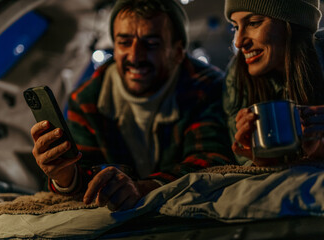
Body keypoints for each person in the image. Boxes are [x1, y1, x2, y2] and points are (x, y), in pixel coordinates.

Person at [31, 0, 234, 211]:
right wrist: (65, 177)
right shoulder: (87, 99)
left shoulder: (207, 88)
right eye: (124, 42)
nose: (135, 56)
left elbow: (211, 160)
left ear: (178, 51)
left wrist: (143, 188)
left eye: (151, 44)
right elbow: (84, 173)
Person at [223, 0, 324, 166]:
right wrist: (259, 160)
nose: (238, 42)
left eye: (253, 23)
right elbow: (246, 163)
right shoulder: (237, 76)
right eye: (236, 27)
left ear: (293, 23)